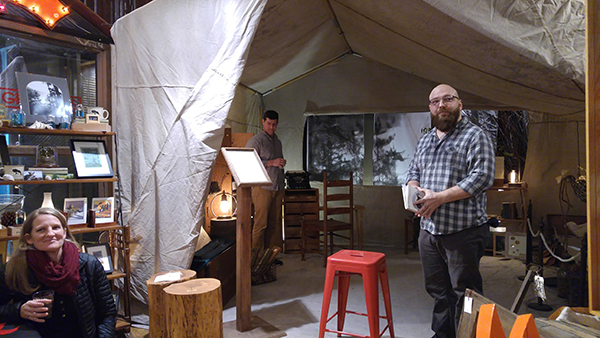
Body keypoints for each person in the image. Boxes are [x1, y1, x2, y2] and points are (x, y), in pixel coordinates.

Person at [406, 84, 495, 338]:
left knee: (466, 292)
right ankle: (443, 334)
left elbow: (482, 177)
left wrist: (440, 198)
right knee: (438, 290)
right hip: (429, 230)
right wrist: (414, 191)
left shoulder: (475, 136)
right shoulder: (425, 139)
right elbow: (413, 171)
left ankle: (469, 334)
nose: (441, 105)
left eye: (447, 99)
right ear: (430, 108)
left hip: (463, 231)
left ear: (460, 104)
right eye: (435, 101)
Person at [0, 207, 117, 338]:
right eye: (41, 230)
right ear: (29, 238)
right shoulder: (15, 268)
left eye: (56, 227)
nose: (50, 234)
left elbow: (107, 313)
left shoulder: (89, 265)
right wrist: (19, 310)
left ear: (65, 232)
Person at [246, 110, 286, 258]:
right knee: (261, 224)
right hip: (262, 188)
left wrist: (280, 164)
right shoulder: (256, 141)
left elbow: (276, 163)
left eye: (274, 124)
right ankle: (255, 259)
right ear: (263, 122)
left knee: (274, 224)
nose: (271, 127)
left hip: (277, 186)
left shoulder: (278, 141)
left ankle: (269, 259)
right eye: (269, 124)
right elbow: (247, 162)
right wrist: (271, 162)